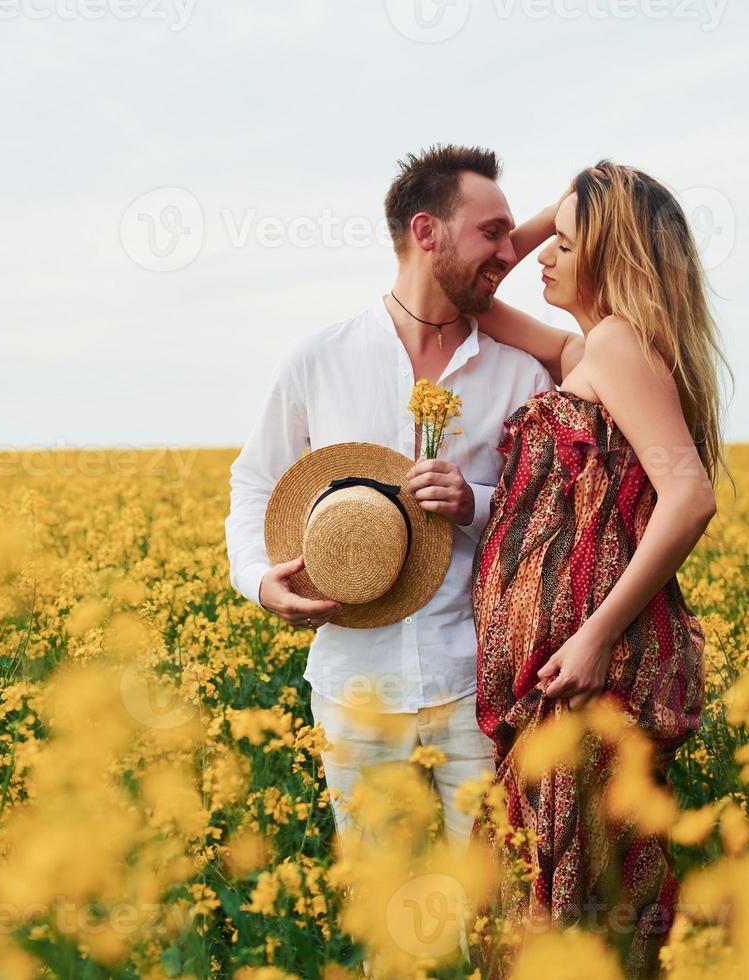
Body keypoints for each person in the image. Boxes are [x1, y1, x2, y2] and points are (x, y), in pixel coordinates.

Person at [223, 144, 555, 859]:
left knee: (490, 920)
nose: (511, 251)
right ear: (426, 232)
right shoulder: (320, 357)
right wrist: (255, 579)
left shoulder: (522, 373)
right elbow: (255, 480)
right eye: (492, 232)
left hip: (478, 688)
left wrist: (475, 501)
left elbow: (553, 513)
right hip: (355, 690)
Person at [468, 160, 731, 977]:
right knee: (556, 916)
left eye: (565, 243)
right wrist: (571, 207)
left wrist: (590, 637)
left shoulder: (616, 345)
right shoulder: (591, 348)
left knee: (570, 927)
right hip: (558, 690)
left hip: (590, 682)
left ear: (611, 255)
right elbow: (477, 294)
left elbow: (690, 494)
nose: (541, 253)